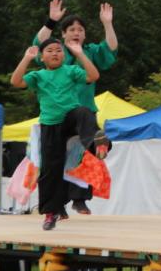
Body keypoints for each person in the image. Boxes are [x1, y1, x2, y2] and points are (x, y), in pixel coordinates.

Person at [33, 0, 118, 216]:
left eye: (80, 29)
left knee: (86, 155)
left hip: (83, 113)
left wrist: (108, 24)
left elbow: (111, 49)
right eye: (71, 29)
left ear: (85, 35)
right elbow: (38, 44)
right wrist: (51, 21)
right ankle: (56, 206)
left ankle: (80, 199)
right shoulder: (56, 52)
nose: (76, 32)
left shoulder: (89, 51)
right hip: (57, 116)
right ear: (63, 34)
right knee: (56, 161)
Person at [11, 39, 106, 230]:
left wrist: (80, 53)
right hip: (50, 125)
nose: (55, 53)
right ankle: (50, 213)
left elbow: (93, 76)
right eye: (50, 50)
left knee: (84, 112)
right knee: (50, 170)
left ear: (63, 55)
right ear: (42, 56)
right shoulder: (38, 75)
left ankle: (99, 145)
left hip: (71, 118)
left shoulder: (71, 70)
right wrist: (26, 58)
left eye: (58, 50)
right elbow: (16, 81)